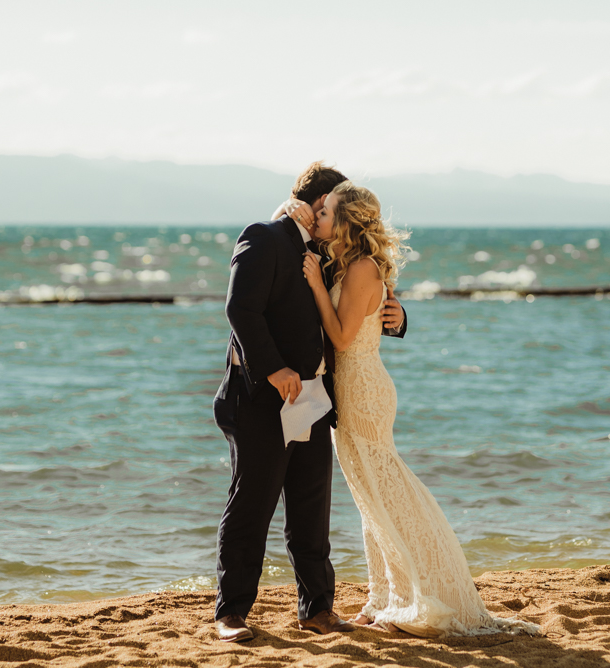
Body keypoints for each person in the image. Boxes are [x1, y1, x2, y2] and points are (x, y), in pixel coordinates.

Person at [301, 182, 540, 638]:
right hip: (349, 390)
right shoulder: (347, 264)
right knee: (371, 496)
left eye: (327, 213)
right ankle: (386, 594)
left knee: (389, 490)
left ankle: (428, 589)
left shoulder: (361, 269)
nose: (320, 220)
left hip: (364, 391)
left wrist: (314, 285)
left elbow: (343, 338)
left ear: (347, 221)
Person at [211, 163, 406, 643]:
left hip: (316, 398)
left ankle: (317, 609)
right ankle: (230, 613)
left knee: (311, 510)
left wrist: (399, 317)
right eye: (331, 208)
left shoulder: (327, 250)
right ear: (318, 206)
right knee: (252, 506)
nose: (333, 219)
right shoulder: (264, 236)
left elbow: (358, 296)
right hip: (261, 398)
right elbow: (241, 309)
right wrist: (273, 367)